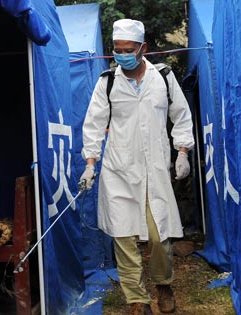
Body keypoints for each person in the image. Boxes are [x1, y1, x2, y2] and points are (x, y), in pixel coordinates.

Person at [80, 19, 194, 315]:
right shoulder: (107, 82)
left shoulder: (164, 78)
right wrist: (90, 163)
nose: (122, 55)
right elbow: (93, 124)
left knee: (159, 237)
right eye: (117, 50)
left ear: (143, 48)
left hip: (154, 170)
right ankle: (137, 299)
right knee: (123, 236)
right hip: (119, 171)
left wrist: (182, 152)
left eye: (128, 49)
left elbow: (181, 115)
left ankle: (163, 283)